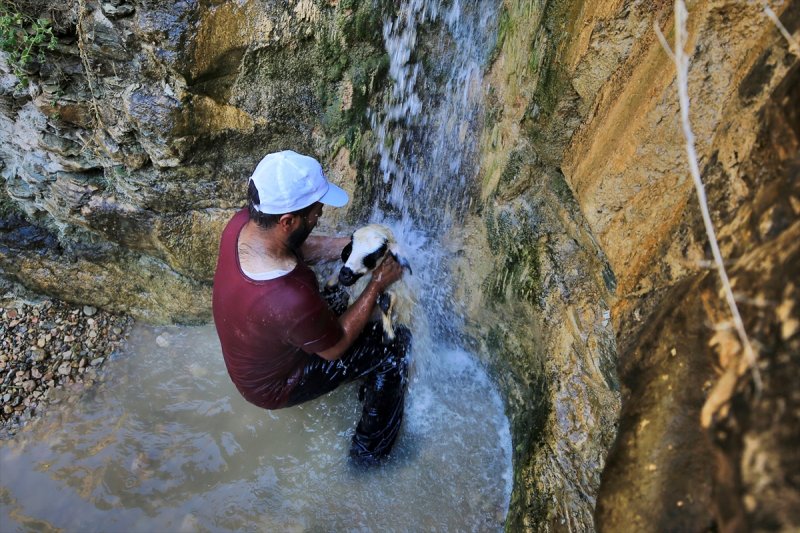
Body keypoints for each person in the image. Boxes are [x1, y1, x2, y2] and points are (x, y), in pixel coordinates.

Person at [212, 150, 409, 465]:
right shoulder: (289, 294)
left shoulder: (244, 224)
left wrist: (353, 247)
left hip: (254, 361)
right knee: (394, 346)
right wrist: (377, 284)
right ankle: (369, 457)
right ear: (288, 221)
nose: (320, 216)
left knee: (337, 295)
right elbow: (335, 348)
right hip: (276, 387)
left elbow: (298, 246)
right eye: (316, 212)